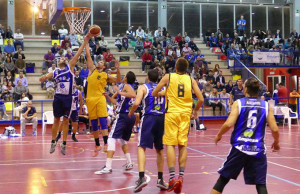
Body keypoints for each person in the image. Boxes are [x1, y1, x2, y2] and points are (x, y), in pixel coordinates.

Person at [211, 77, 280, 194]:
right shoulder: (266, 105)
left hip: (239, 147)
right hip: (257, 149)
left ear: (245, 89)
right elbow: (274, 128)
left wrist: (219, 135)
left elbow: (229, 123)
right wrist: (276, 142)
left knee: (222, 180)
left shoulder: (239, 103)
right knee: (261, 184)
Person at [152, 58, 204, 193]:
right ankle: (181, 177)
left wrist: (164, 93)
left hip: (172, 114)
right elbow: (201, 99)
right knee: (182, 145)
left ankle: (171, 178)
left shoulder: (168, 77)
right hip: (185, 115)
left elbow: (154, 92)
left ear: (175, 67)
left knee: (170, 144)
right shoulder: (191, 79)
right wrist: (196, 111)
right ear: (186, 68)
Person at [39, 33, 91, 155]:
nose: (62, 58)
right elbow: (44, 78)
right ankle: (53, 141)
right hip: (58, 97)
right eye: (61, 58)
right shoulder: (55, 71)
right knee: (57, 119)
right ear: (58, 62)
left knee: (66, 120)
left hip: (67, 98)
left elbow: (78, 54)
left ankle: (64, 143)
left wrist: (85, 42)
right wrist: (43, 77)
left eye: (63, 58)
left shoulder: (69, 67)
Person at [129, 70, 168, 192]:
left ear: (147, 78)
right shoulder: (163, 88)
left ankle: (141, 177)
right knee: (159, 149)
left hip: (149, 118)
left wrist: (131, 113)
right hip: (161, 118)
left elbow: (136, 103)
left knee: (141, 147)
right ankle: (160, 179)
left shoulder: (143, 87)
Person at [94, 71, 136, 174]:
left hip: (123, 116)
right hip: (129, 117)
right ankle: (129, 162)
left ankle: (108, 167)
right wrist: (108, 96)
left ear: (126, 78)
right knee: (122, 140)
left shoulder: (126, 86)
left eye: (124, 75)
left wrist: (119, 91)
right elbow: (117, 102)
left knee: (111, 138)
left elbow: (133, 95)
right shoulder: (124, 87)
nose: (123, 77)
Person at [84, 41, 121, 156]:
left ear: (104, 66)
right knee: (94, 124)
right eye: (98, 60)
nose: (99, 62)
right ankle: (97, 144)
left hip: (100, 98)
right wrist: (86, 42)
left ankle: (105, 143)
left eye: (101, 61)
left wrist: (118, 69)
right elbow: (88, 55)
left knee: (103, 121)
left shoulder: (105, 75)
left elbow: (117, 80)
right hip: (90, 99)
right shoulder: (91, 70)